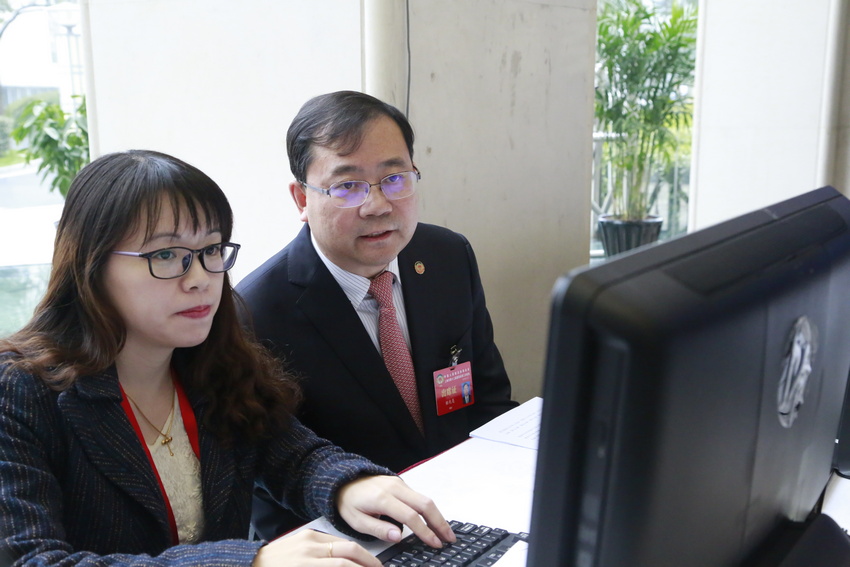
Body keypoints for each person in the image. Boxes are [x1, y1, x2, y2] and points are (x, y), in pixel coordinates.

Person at [0, 150, 456, 566]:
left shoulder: (211, 362)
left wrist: (349, 485)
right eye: (167, 254)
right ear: (91, 265)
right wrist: (247, 563)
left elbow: (294, 456)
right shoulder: (20, 391)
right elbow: (32, 560)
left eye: (211, 250)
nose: (200, 278)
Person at [236, 91, 518, 539]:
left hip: (470, 517)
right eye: (348, 186)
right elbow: (269, 479)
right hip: (353, 541)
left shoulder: (447, 256)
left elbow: (489, 402)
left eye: (395, 178)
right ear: (301, 199)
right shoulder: (254, 312)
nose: (378, 205)